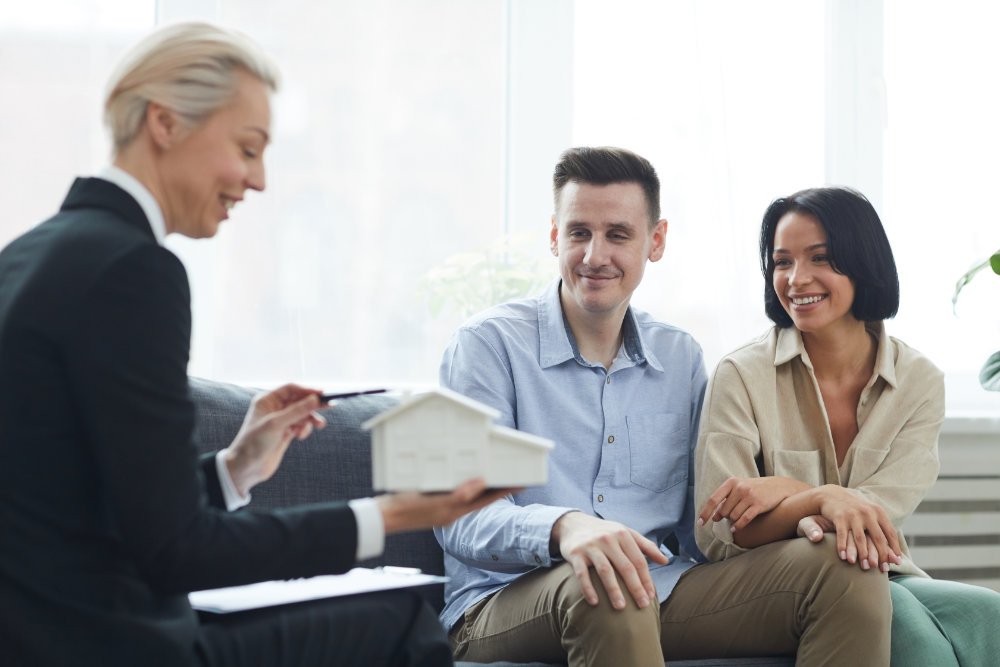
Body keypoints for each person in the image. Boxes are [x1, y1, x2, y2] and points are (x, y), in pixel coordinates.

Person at [0, 22, 511, 667]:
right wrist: (391, 515)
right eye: (247, 148)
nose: (261, 179)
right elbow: (176, 552)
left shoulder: (27, 256)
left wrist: (236, 467)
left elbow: (90, 498)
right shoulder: (135, 273)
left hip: (39, 632)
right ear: (165, 123)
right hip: (113, 641)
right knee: (403, 624)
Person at [435, 147, 894, 667]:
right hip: (505, 602)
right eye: (579, 232)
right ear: (553, 237)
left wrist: (804, 503)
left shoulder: (679, 356)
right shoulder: (489, 346)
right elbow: (458, 517)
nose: (594, 255)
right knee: (610, 585)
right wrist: (566, 526)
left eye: (618, 234)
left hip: (661, 589)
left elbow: (707, 525)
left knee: (844, 571)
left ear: (655, 241)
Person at [695, 186, 1000, 666]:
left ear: (863, 262)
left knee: (992, 618)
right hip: (776, 581)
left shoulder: (919, 381)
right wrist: (820, 500)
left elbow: (875, 516)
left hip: (883, 569)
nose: (797, 279)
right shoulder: (740, 375)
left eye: (821, 258)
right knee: (920, 645)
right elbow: (721, 533)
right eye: (782, 262)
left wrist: (788, 491)